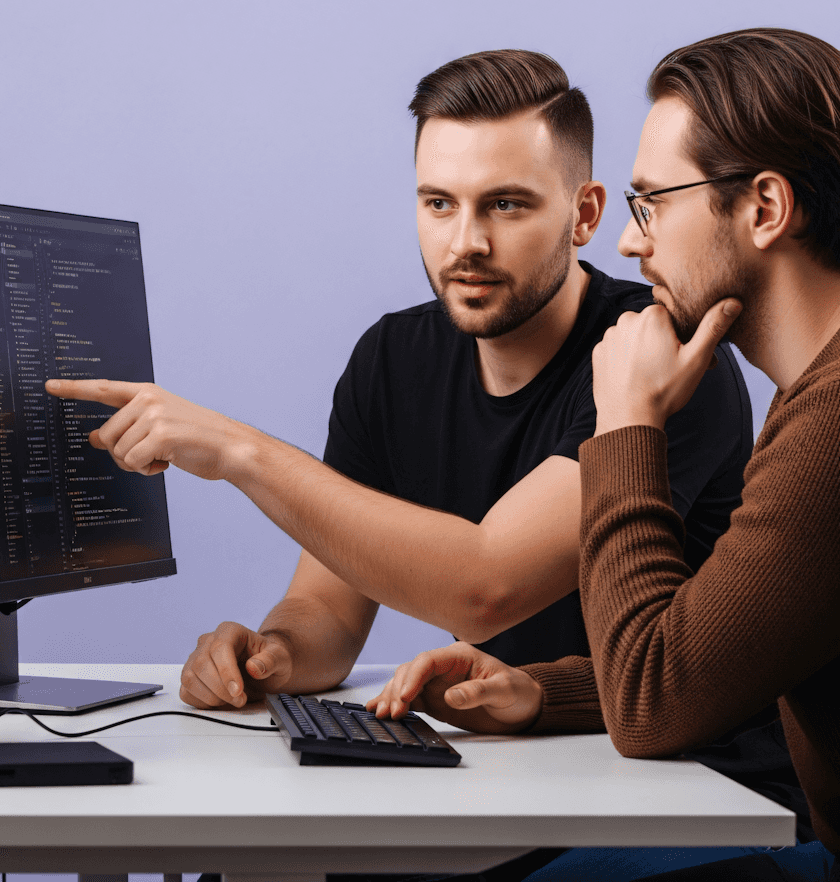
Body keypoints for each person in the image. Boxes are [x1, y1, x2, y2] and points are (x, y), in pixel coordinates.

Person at [45, 49, 802, 865]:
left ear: (584, 215)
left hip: (689, 793)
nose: (465, 242)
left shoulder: (654, 355)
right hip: (527, 762)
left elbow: (485, 586)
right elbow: (330, 611)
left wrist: (238, 452)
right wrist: (273, 657)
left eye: (506, 205)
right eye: (439, 203)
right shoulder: (390, 360)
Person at [372, 29, 840, 882]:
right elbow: (723, 654)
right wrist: (541, 693)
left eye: (653, 203)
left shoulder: (832, 427)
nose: (630, 244)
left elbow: (655, 705)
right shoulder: (812, 403)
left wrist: (624, 423)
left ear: (765, 209)